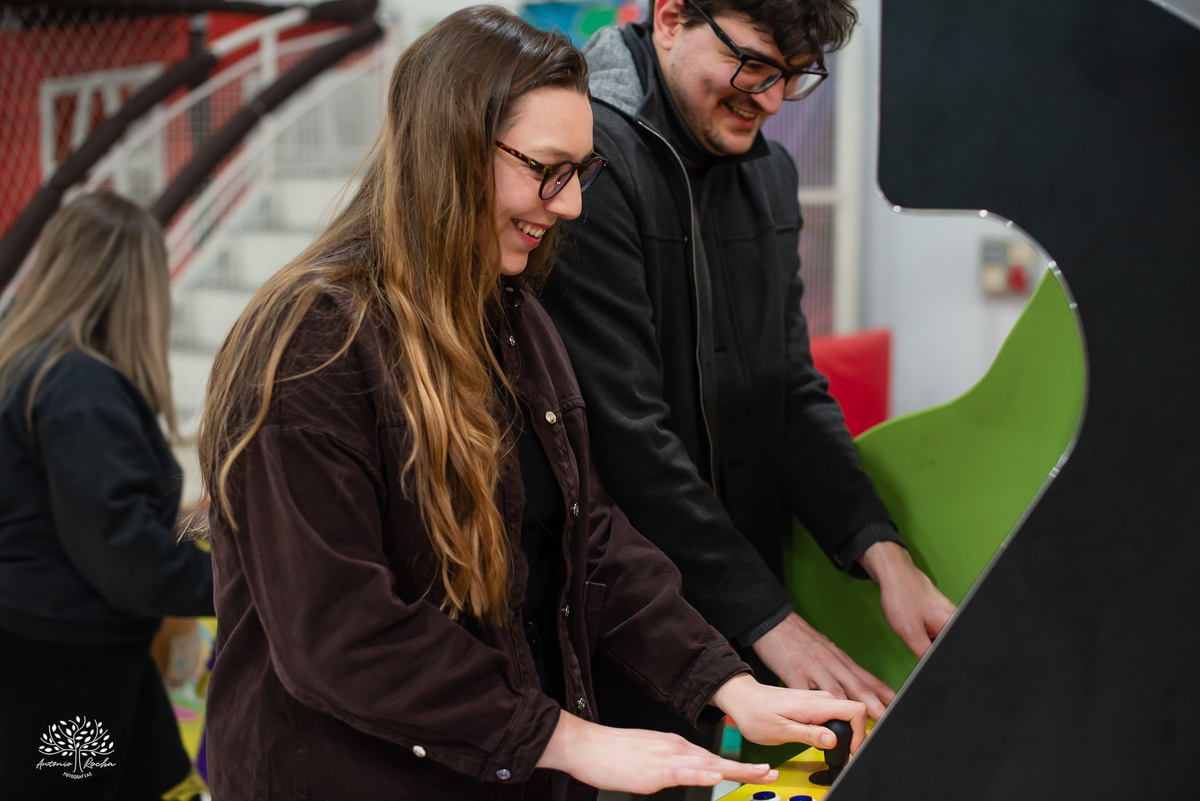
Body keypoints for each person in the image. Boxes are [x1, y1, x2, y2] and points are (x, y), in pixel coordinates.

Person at [197, 6, 866, 800]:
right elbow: (338, 634)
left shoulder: (517, 323)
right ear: (452, 152)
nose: (571, 205)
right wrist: (562, 735)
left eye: (581, 173)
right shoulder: (312, 344)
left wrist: (725, 681)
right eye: (548, 169)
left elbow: (593, 542)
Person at [543, 0, 957, 739]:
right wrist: (770, 618)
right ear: (670, 19)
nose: (769, 99)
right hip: (622, 617)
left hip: (734, 605)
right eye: (754, 65)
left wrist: (887, 557)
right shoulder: (592, 165)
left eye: (794, 76)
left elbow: (790, 393)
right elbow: (625, 437)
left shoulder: (769, 172)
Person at [0, 191, 215, 800]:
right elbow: (127, 559)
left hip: (69, 645)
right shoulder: (79, 389)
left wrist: (205, 529)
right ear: (138, 282)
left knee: (161, 782)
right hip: (69, 661)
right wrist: (244, 584)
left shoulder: (38, 369)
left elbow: (106, 519)